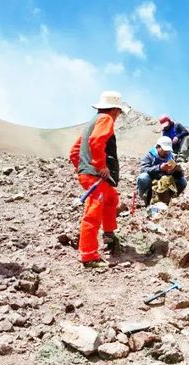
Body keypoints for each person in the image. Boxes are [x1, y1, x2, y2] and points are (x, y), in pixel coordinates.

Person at [69, 91, 126, 268]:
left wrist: (82, 168)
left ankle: (109, 234)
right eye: (119, 112)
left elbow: (74, 152)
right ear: (115, 110)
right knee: (93, 213)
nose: (118, 116)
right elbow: (96, 141)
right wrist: (99, 166)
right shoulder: (106, 119)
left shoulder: (91, 123)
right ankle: (88, 256)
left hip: (91, 175)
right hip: (96, 176)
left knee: (111, 199)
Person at [137, 136, 187, 205]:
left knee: (182, 181)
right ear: (158, 147)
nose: (166, 152)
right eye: (164, 150)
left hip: (164, 180)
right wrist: (159, 167)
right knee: (143, 177)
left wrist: (175, 170)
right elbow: (143, 169)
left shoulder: (170, 156)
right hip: (151, 179)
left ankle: (169, 198)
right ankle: (143, 196)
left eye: (168, 150)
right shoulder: (149, 155)